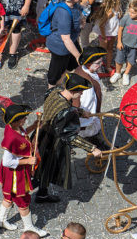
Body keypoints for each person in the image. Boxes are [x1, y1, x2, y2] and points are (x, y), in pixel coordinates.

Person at [32, 73, 103, 204]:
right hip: (53, 142)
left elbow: (66, 106)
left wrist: (80, 112)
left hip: (43, 133)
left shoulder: (55, 91)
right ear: (73, 91)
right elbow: (69, 136)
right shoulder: (66, 113)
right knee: (43, 169)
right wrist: (92, 148)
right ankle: (19, 193)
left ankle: (42, 194)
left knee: (43, 169)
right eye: (80, 92)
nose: (81, 94)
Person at [0, 102, 48, 236]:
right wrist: (27, 160)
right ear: (17, 121)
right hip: (15, 176)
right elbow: (7, 161)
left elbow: (24, 134)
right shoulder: (11, 137)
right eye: (24, 118)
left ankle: (0, 220)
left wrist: (33, 127)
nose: (26, 119)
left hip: (12, 173)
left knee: (9, 197)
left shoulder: (14, 128)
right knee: (23, 202)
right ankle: (29, 227)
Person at [44, 0, 82, 87]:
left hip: (71, 43)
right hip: (60, 47)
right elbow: (66, 39)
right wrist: (78, 56)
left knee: (74, 66)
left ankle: (65, 81)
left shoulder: (72, 5)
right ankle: (51, 93)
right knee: (54, 76)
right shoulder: (63, 13)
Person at [71, 44, 107, 143]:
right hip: (86, 119)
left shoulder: (81, 68)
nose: (101, 64)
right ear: (88, 64)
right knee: (90, 136)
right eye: (98, 63)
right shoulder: (87, 86)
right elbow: (86, 105)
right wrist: (92, 119)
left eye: (101, 61)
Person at [111, 0, 137, 86]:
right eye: (129, 11)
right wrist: (119, 42)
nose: (130, 14)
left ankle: (126, 74)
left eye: (133, 13)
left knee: (131, 61)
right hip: (123, 43)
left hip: (134, 45)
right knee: (119, 60)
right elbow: (120, 29)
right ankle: (118, 73)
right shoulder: (126, 18)